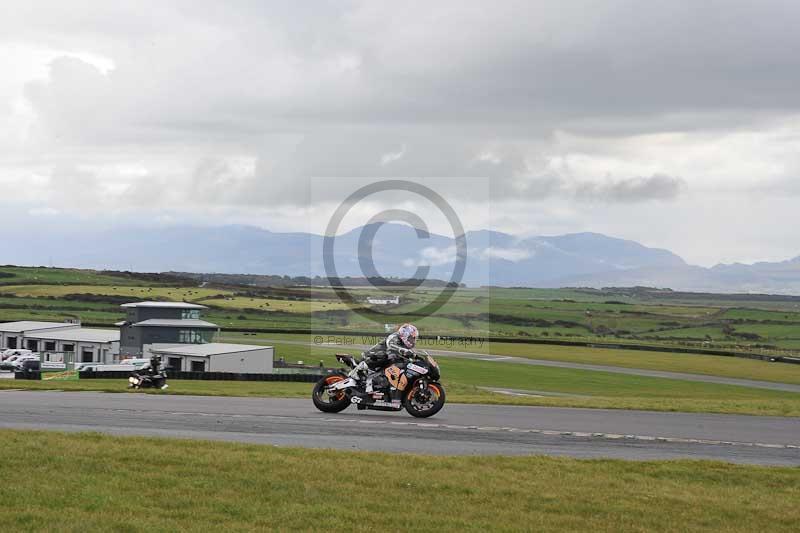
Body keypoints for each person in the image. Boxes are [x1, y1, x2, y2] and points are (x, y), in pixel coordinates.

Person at [362, 323, 418, 393]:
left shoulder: (404, 345)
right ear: (404, 335)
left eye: (414, 339)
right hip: (372, 356)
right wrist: (405, 351)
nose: (412, 341)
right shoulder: (394, 337)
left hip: (385, 360)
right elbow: (392, 346)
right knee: (386, 356)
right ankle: (369, 381)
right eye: (411, 338)